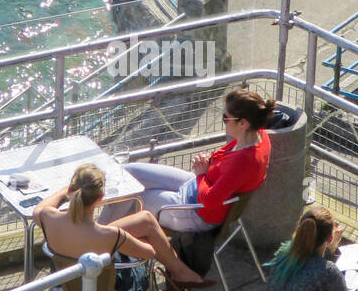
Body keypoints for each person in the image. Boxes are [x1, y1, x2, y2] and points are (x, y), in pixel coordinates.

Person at [101, 88, 274, 236]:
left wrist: (200, 175)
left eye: (225, 117)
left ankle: (97, 238)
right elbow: (227, 161)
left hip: (197, 212)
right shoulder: (258, 135)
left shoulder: (244, 160)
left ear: (243, 122)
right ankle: (98, 233)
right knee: (128, 172)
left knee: (132, 197)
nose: (224, 122)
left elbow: (210, 201)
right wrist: (210, 160)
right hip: (197, 188)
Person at [32, 164, 205, 288]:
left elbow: (40, 208)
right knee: (146, 221)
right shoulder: (110, 235)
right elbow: (149, 253)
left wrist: (65, 191)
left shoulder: (47, 217)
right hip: (106, 286)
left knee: (144, 220)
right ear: (101, 198)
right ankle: (181, 273)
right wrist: (129, 238)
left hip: (67, 283)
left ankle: (182, 273)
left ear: (72, 191)